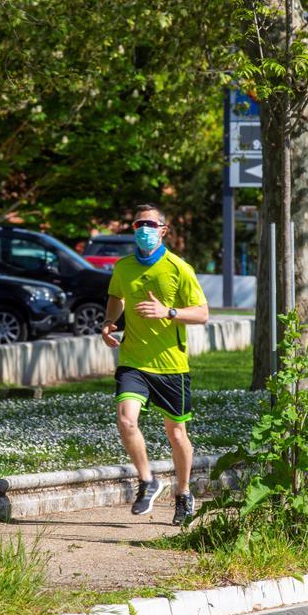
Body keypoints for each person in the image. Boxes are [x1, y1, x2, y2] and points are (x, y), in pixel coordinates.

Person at [101, 204, 209, 526]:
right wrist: (109, 322)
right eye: (138, 224)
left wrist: (169, 312)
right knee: (126, 420)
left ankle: (184, 493)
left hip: (171, 366)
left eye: (150, 224)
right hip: (134, 361)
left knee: (176, 434)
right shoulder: (124, 267)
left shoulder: (179, 268)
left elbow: (202, 313)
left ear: (163, 230)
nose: (143, 229)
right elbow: (116, 296)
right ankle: (148, 481)